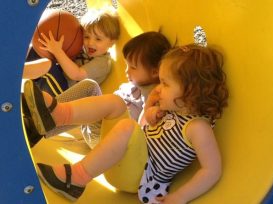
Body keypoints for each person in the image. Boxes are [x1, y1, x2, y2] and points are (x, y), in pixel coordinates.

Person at [30, 43, 229, 203]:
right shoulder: (172, 111)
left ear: (190, 92)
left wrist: (181, 197)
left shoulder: (198, 128)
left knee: (128, 126)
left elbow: (212, 170)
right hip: (125, 160)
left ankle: (76, 178)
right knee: (115, 102)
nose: (159, 88)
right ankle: (57, 115)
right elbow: (142, 131)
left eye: (165, 84)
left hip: (140, 177)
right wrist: (148, 110)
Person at [24, 31, 171, 148]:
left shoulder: (153, 94)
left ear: (154, 72)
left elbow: (144, 127)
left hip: (107, 140)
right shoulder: (134, 84)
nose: (127, 71)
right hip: (96, 126)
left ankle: (39, 124)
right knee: (90, 86)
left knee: (95, 91)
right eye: (127, 65)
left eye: (133, 67)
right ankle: (39, 124)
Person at [23, 6, 121, 147]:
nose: (90, 43)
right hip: (52, 84)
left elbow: (76, 74)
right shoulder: (82, 47)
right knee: (38, 49)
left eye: (98, 39)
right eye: (87, 36)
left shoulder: (103, 63)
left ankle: (12, 74)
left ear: (112, 42)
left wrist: (57, 51)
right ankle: (15, 67)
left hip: (64, 98)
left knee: (48, 64)